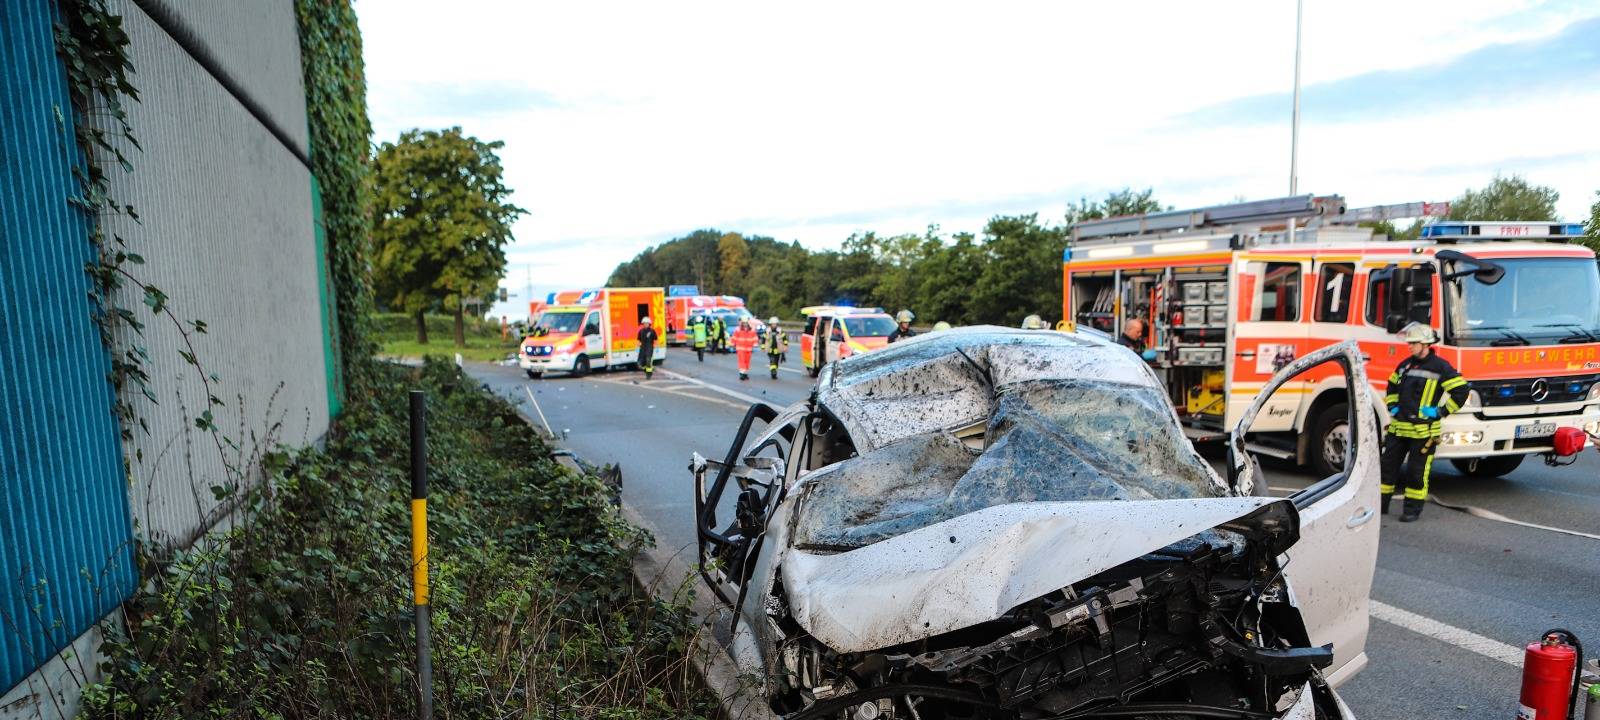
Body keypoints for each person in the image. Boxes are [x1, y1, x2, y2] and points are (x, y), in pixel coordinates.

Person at [1381, 323, 1468, 522]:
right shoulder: (1405, 365)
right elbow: (1392, 387)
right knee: (1386, 468)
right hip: (1399, 429)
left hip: (1424, 434)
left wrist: (1441, 411)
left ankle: (1412, 510)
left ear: (1426, 344)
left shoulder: (1440, 367)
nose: (1410, 346)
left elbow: (1461, 390)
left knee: (1416, 473)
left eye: (1414, 343)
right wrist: (1393, 407)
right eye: (1410, 343)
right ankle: (1381, 506)